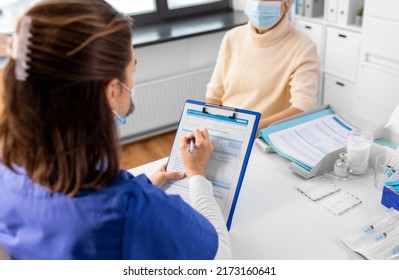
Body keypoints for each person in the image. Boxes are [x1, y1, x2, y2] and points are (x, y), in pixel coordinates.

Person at [0, 0, 231, 260]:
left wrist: (145, 188)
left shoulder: (6, 169)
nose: (132, 82)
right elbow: (219, 256)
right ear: (111, 91)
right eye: (132, 69)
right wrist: (197, 173)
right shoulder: (128, 210)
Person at [206, 0, 320, 131]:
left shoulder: (303, 48)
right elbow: (214, 94)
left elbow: (303, 107)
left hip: (265, 135)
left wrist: (251, 129)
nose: (258, 3)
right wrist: (214, 124)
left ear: (286, 4)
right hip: (226, 127)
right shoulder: (232, 37)